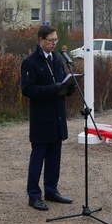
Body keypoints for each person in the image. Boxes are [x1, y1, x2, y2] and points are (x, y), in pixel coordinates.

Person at [20, 25, 76, 211]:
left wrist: (69, 88)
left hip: (57, 116)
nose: (54, 43)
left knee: (54, 157)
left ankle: (51, 190)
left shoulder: (57, 59)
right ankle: (33, 195)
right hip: (41, 118)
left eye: (55, 40)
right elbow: (28, 89)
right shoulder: (30, 62)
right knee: (38, 157)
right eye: (50, 40)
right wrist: (53, 89)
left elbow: (60, 82)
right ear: (41, 40)